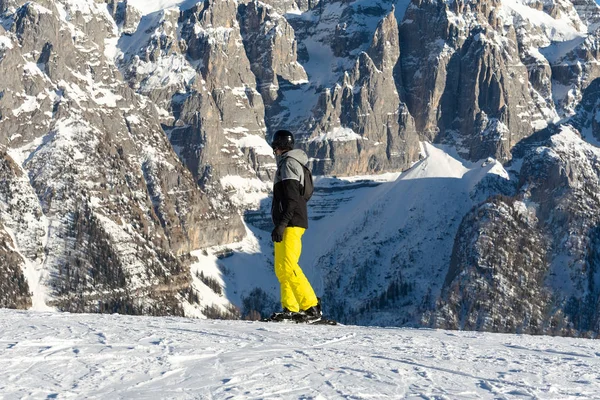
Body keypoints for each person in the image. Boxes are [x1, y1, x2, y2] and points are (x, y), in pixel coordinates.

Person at [268, 129, 322, 322]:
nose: (273, 149)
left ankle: (311, 306)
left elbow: (292, 200)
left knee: (289, 266)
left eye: (274, 145)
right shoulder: (286, 163)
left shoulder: (289, 164)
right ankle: (290, 308)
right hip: (286, 222)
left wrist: (282, 224)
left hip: (291, 222)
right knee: (281, 268)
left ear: (279, 146)